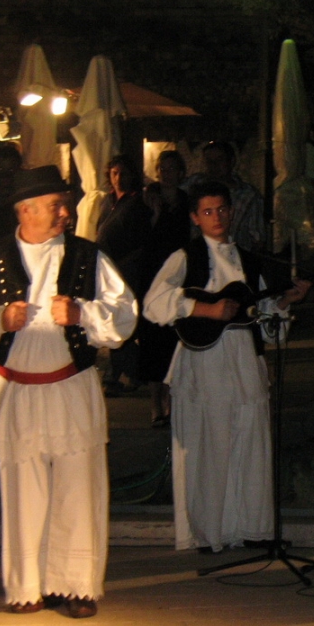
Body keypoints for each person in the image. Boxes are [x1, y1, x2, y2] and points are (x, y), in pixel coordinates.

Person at [0, 165, 137, 617]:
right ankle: (28, 586)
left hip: (71, 385)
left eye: (65, 205)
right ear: (25, 210)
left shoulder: (88, 256)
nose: (65, 213)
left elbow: (124, 313)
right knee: (23, 491)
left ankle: (76, 586)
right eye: (56, 205)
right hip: (17, 389)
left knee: (78, 487)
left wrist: (83, 314)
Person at [143, 182, 309, 552]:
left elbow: (264, 319)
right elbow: (153, 303)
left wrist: (285, 303)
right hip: (205, 362)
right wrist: (205, 309)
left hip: (244, 359)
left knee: (251, 441)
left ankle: (253, 529)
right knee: (210, 445)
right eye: (207, 211)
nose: (216, 217)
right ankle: (209, 533)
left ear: (231, 212)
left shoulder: (249, 260)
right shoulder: (184, 257)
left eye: (221, 209)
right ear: (194, 218)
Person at [138, 150, 193, 426]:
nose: (166, 174)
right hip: (151, 273)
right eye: (162, 168)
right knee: (152, 340)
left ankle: (171, 399)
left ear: (181, 173)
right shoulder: (148, 198)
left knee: (174, 338)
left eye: (172, 169)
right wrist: (156, 212)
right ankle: (154, 403)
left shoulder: (186, 201)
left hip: (178, 275)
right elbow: (142, 236)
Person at [96, 155, 151, 395]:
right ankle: (121, 371)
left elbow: (141, 241)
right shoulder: (107, 201)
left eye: (123, 173)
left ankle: (128, 372)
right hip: (106, 267)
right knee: (110, 317)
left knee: (123, 318)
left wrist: (122, 264)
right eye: (114, 173)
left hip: (126, 268)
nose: (118, 178)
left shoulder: (137, 203)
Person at [183, 141, 265, 253]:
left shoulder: (248, 195)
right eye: (209, 161)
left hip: (233, 256)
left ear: (231, 161)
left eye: (219, 160)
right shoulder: (195, 183)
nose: (214, 165)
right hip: (199, 254)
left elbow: (257, 238)